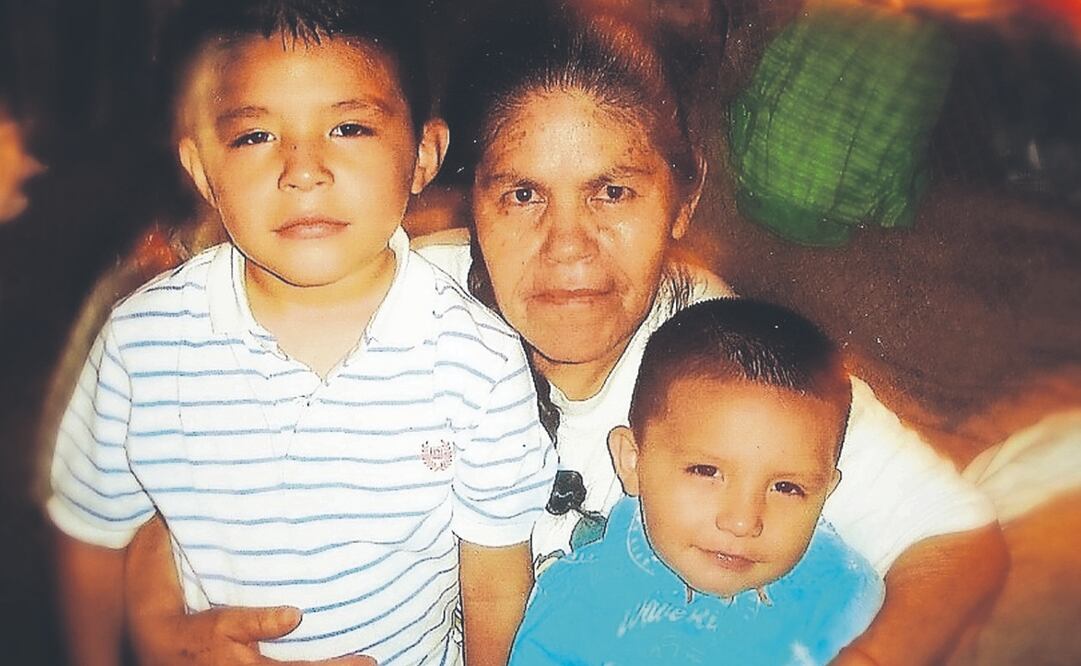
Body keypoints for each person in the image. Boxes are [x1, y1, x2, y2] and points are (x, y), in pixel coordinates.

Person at [125, 4, 1007, 665]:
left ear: (682, 201)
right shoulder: (389, 306)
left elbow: (956, 540)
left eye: (611, 192)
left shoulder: (725, 366)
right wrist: (162, 621)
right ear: (470, 202)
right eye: (522, 195)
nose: (568, 248)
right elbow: (181, 450)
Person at [46, 1, 555, 664]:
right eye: (255, 136)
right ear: (203, 171)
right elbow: (92, 533)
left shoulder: (478, 360)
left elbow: (493, 583)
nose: (303, 170)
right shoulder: (141, 345)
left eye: (348, 127)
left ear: (423, 155)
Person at [509, 297, 885, 665]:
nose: (742, 522)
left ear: (825, 492)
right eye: (706, 471)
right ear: (632, 461)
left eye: (786, 488)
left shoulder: (849, 603)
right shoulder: (579, 602)